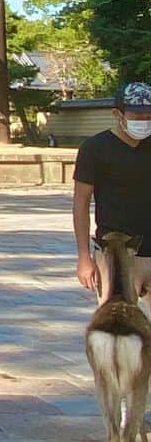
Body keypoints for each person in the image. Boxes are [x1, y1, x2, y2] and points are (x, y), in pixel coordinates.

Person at [74, 82, 151, 305]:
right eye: (137, 115)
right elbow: (81, 201)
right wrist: (83, 258)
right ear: (118, 114)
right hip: (116, 254)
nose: (144, 121)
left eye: (149, 115)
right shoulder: (95, 148)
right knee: (120, 327)